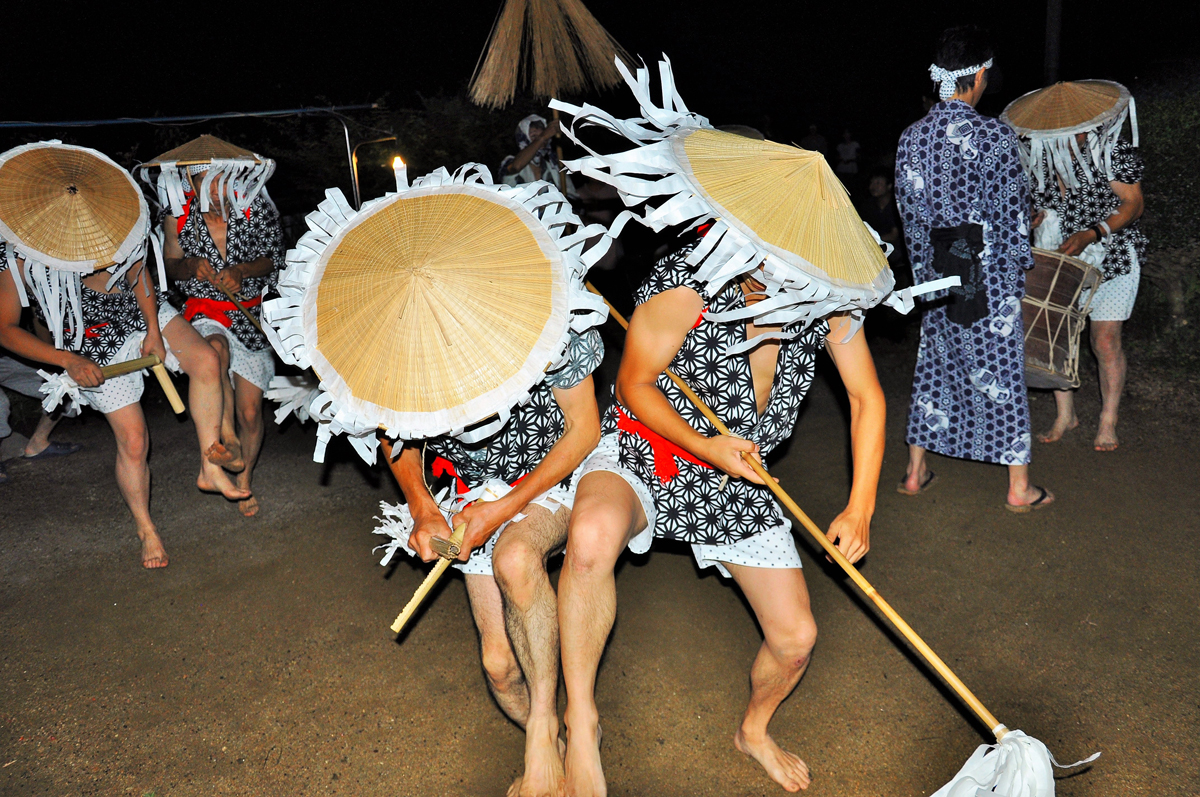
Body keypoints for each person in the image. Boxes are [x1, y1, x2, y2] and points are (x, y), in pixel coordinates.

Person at [558, 235, 886, 795]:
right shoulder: (685, 286)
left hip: (740, 479)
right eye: (760, 260)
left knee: (795, 639)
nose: (770, 275)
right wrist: (706, 445)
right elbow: (634, 385)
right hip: (650, 450)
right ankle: (581, 723)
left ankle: (753, 732)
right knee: (590, 536)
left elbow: (866, 399)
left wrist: (861, 508)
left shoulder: (828, 301)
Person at [382, 327, 603, 797]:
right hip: (472, 494)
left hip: (554, 471)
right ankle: (558, 746)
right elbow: (393, 435)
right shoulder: (403, 341)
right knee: (500, 667)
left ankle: (543, 729)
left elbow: (584, 430)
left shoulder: (545, 309)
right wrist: (422, 507)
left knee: (517, 558)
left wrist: (503, 512)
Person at [0, 246, 246, 566]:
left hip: (138, 306)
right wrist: (67, 360)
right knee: (133, 440)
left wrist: (154, 330)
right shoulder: (15, 246)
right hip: (87, 337)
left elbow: (136, 268)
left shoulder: (109, 206)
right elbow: (5, 329)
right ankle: (146, 529)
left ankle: (210, 468)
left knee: (206, 359)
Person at [894, 25, 1052, 511]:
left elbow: (909, 214)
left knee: (935, 366)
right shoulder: (993, 135)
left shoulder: (911, 137)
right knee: (1000, 369)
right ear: (979, 73)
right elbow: (1008, 215)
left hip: (938, 273)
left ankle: (916, 472)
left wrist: (927, 273)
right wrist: (1016, 267)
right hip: (983, 271)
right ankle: (1019, 488)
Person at [1011, 85, 1147, 452]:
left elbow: (1133, 204)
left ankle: (1108, 420)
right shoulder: (1037, 156)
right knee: (1056, 335)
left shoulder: (1111, 152)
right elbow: (1035, 206)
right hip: (1058, 259)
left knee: (1104, 341)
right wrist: (1034, 216)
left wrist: (1095, 232)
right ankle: (1065, 415)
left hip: (1111, 256)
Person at [162, 165, 284, 517]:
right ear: (191, 181)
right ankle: (227, 439)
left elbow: (274, 257)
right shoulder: (178, 214)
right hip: (203, 311)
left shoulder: (256, 207)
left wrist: (242, 270)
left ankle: (244, 480)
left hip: (250, 315)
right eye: (206, 181)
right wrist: (191, 265)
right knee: (215, 351)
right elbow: (171, 265)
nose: (215, 190)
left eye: (222, 181)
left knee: (250, 411)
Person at [1, 355, 82, 485]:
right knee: (0, 403)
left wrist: (49, 363)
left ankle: (37, 444)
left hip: (4, 358)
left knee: (63, 383)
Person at [500, 114, 571, 195]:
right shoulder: (511, 162)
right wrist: (542, 137)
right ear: (524, 138)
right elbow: (515, 167)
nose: (541, 143)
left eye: (544, 137)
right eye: (534, 136)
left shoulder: (552, 168)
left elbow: (573, 195)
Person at [858, 167, 903, 262]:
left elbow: (893, 235)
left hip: (894, 247)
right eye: (871, 183)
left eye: (878, 183)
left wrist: (870, 242)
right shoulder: (868, 205)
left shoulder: (896, 206)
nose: (873, 187)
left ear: (889, 186)